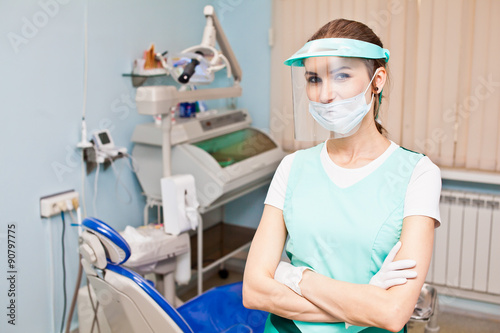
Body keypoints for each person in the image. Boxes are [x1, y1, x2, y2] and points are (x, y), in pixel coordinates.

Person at [242, 19, 441, 333]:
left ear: (377, 81)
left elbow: (392, 313)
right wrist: (364, 303)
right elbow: (254, 291)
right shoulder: (292, 167)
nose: (324, 94)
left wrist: (295, 277)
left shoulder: (417, 173)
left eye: (342, 76)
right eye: (313, 79)